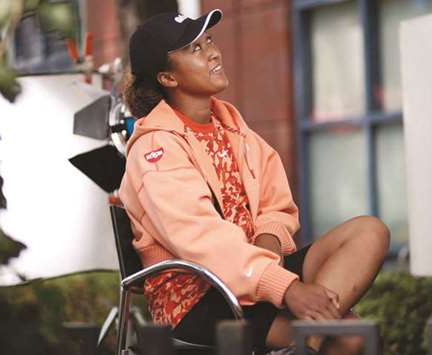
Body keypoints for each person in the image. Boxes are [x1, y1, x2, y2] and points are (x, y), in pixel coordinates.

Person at [118, 9, 390, 355]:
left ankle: (309, 338)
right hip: (196, 298)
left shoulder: (231, 126)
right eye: (195, 49)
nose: (214, 52)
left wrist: (269, 255)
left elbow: (275, 204)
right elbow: (203, 241)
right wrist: (287, 289)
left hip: (256, 277)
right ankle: (312, 338)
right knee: (350, 337)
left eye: (210, 41)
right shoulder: (156, 148)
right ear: (168, 78)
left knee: (369, 232)